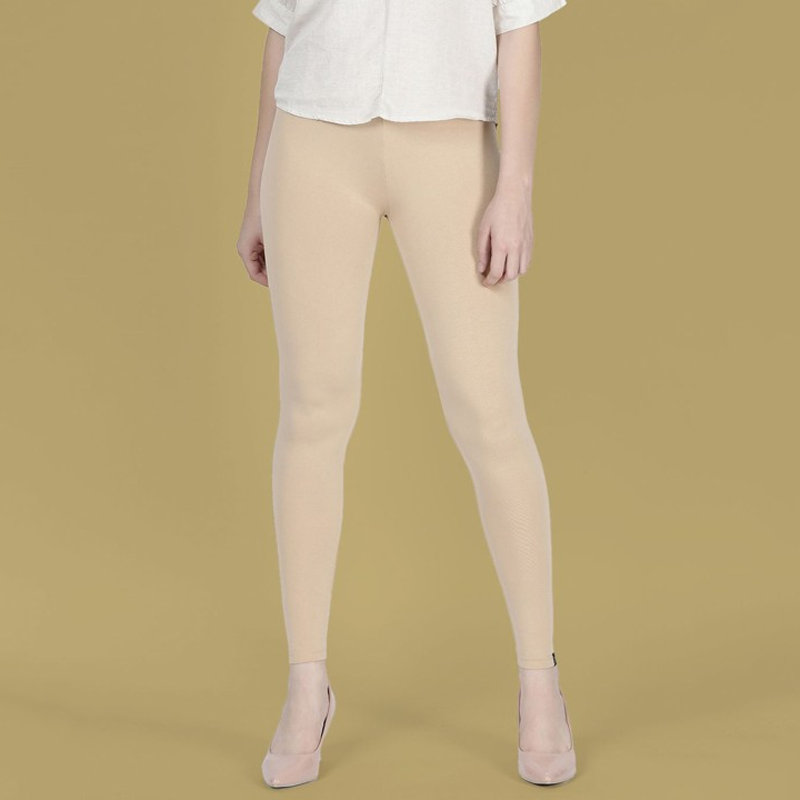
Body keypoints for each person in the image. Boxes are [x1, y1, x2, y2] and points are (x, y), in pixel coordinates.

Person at [236, 0, 576, 788]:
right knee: (313, 411)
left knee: (489, 414)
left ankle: (540, 682)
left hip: (451, 146)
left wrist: (516, 185)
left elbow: (520, 26)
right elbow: (281, 29)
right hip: (311, 142)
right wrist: (256, 190)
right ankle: (306, 684)